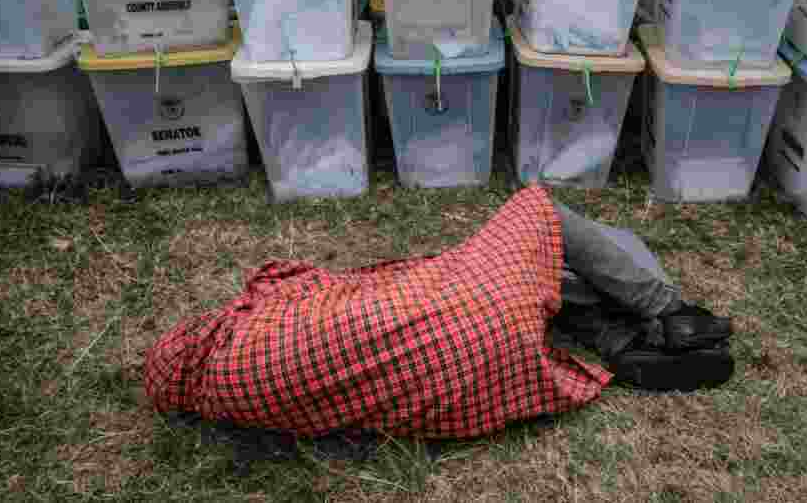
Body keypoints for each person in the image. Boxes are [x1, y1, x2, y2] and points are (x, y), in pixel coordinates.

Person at [145, 187, 733, 440]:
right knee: (545, 219)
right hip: (459, 311)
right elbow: (321, 285)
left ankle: (619, 342)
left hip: (478, 372)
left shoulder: (244, 403)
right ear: (201, 338)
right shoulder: (262, 322)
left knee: (533, 286)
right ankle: (669, 310)